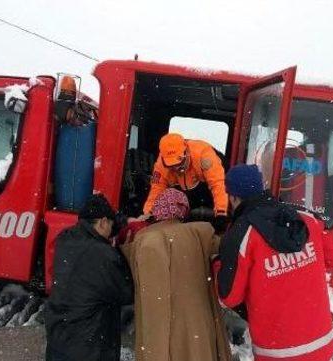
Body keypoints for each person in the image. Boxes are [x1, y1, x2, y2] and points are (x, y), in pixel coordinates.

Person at [215, 164, 333, 361]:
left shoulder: (240, 234)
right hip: (323, 345)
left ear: (233, 197)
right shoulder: (306, 218)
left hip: (278, 354)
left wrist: (218, 266)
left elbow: (229, 297)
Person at [121, 188, 231, 361]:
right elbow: (227, 246)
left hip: (159, 331)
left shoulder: (142, 240)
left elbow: (132, 269)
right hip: (195, 326)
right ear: (184, 210)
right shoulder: (200, 233)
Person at [45, 194, 134, 361]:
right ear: (102, 222)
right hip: (89, 344)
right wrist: (124, 250)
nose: (111, 232)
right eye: (111, 225)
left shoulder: (66, 239)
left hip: (60, 335)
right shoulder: (101, 253)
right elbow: (125, 292)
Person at [142, 133, 228, 231]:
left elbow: (218, 184)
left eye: (179, 163)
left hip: (206, 184)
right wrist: (148, 214)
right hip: (183, 189)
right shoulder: (160, 165)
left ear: (186, 151)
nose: (176, 168)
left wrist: (221, 213)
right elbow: (156, 189)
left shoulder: (204, 154)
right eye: (172, 165)